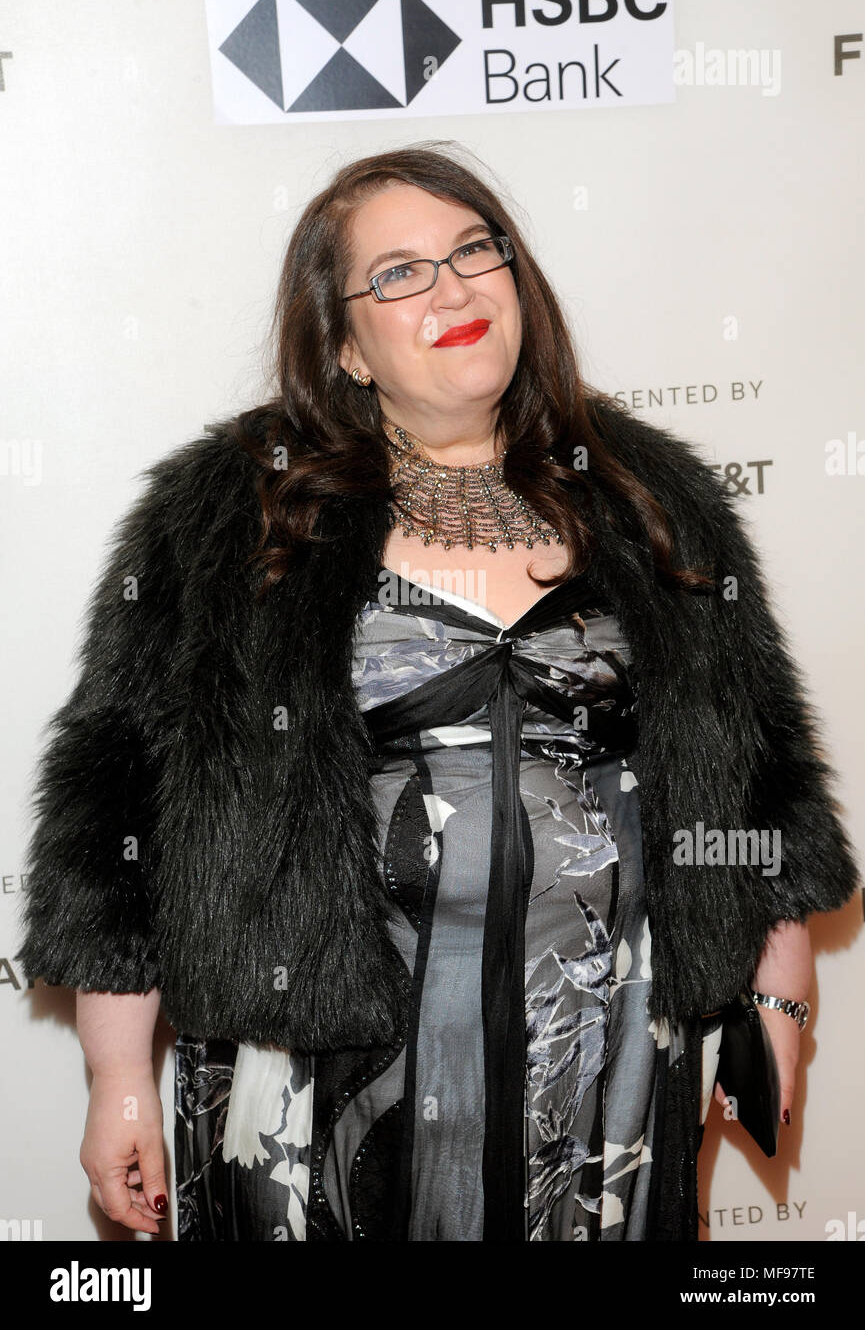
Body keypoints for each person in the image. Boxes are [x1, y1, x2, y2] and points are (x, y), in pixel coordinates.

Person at [18, 142, 859, 1243]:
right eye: (400, 273)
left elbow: (755, 773)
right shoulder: (229, 516)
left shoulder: (652, 494)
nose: (453, 288)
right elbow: (113, 819)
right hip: (317, 1081)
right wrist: (119, 1072)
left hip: (602, 1071)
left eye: (474, 251)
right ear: (346, 345)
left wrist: (777, 991)